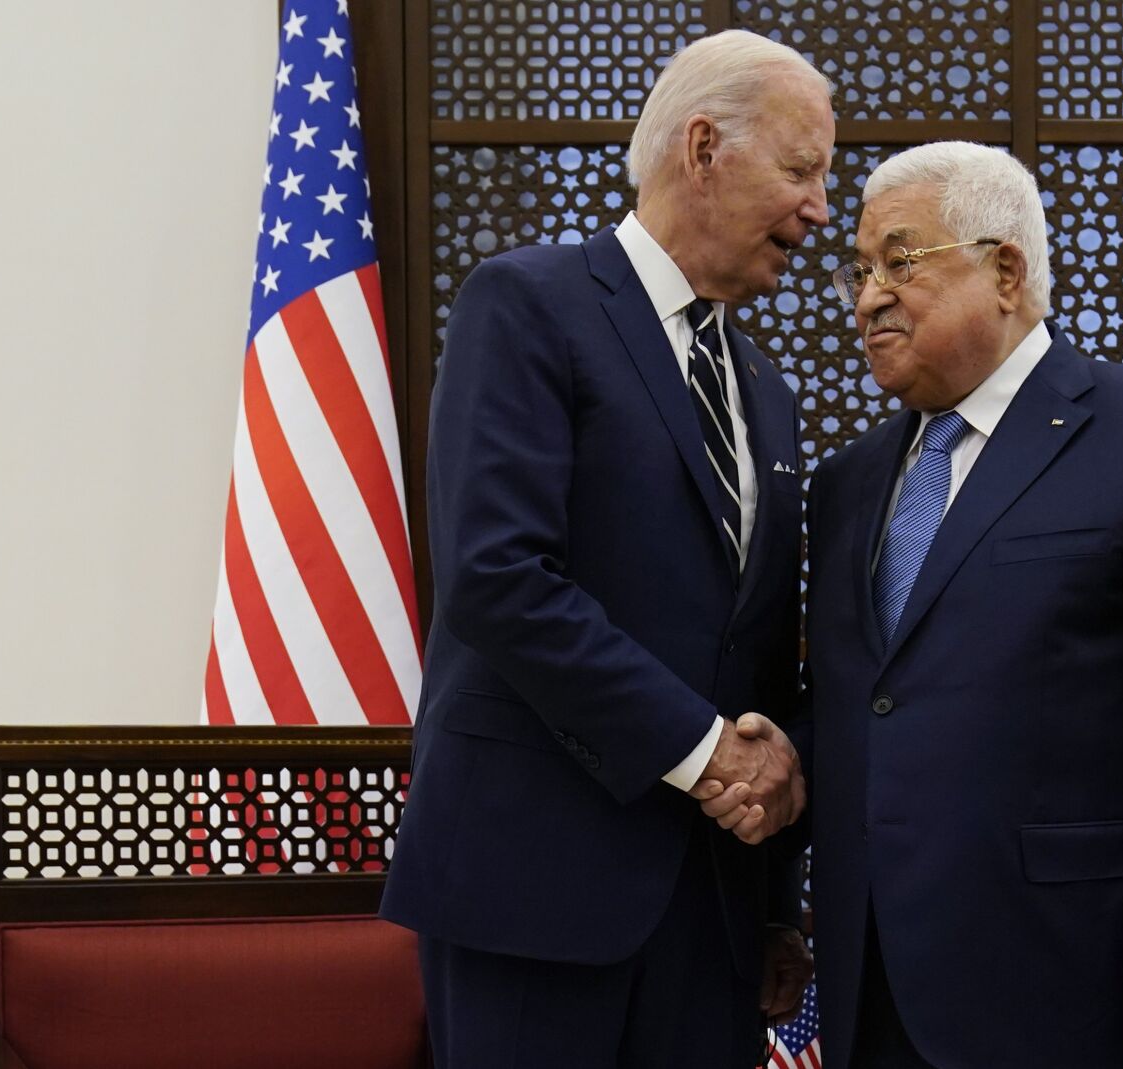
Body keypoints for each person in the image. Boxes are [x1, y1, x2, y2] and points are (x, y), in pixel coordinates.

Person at [705, 142, 1123, 1069]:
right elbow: (862, 705)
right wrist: (780, 838)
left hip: (1065, 981)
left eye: (900, 261)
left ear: (1006, 270)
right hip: (867, 981)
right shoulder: (849, 483)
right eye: (860, 270)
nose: (867, 298)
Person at [379, 30, 832, 1068]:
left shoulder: (765, 389)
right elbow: (498, 578)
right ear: (704, 148)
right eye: (801, 170)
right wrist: (703, 751)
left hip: (711, 913)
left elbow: (756, 655)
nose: (818, 209)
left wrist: (774, 899)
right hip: (534, 889)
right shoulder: (527, 304)